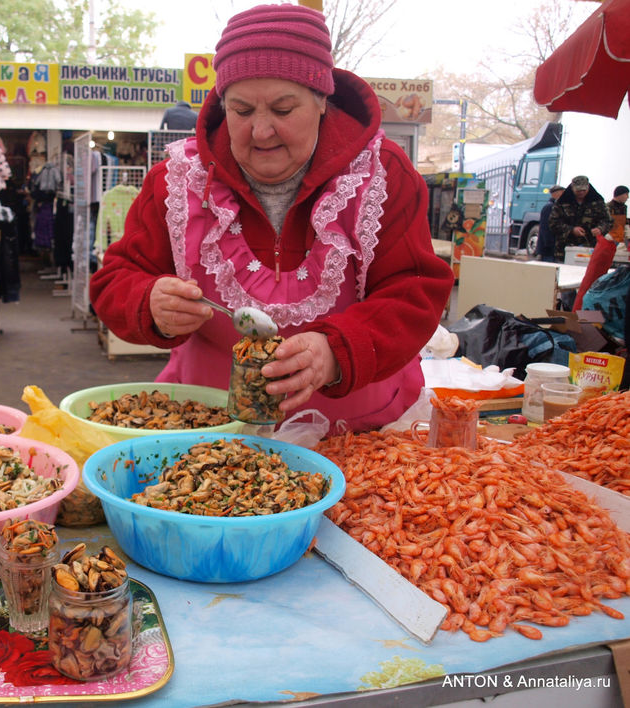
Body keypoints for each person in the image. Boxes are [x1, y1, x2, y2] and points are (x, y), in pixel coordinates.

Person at [90, 4, 454, 432]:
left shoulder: (382, 174)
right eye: (242, 111)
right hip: (213, 431)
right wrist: (148, 301)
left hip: (361, 433)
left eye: (283, 110)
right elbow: (115, 278)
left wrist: (338, 350)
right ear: (223, 103)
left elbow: (412, 293)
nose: (261, 131)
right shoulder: (175, 180)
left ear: (321, 99)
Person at [574, 184, 629, 312]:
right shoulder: (607, 207)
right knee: (592, 280)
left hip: (614, 244)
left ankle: (586, 312)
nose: (627, 197)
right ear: (620, 194)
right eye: (626, 194)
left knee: (600, 280)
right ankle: (580, 311)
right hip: (606, 243)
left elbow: (623, 223)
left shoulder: (623, 208)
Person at [549, 175, 612, 263]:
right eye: (578, 190)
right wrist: (571, 230)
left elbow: (608, 221)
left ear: (588, 187)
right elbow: (553, 223)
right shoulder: (562, 202)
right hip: (565, 249)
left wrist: (600, 229)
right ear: (572, 188)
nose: (581, 193)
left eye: (584, 190)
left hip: (590, 249)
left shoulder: (597, 201)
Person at [534, 184, 564, 262]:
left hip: (552, 250)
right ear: (556, 194)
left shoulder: (556, 206)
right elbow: (545, 229)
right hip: (548, 251)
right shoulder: (549, 207)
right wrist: (551, 245)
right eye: (562, 192)